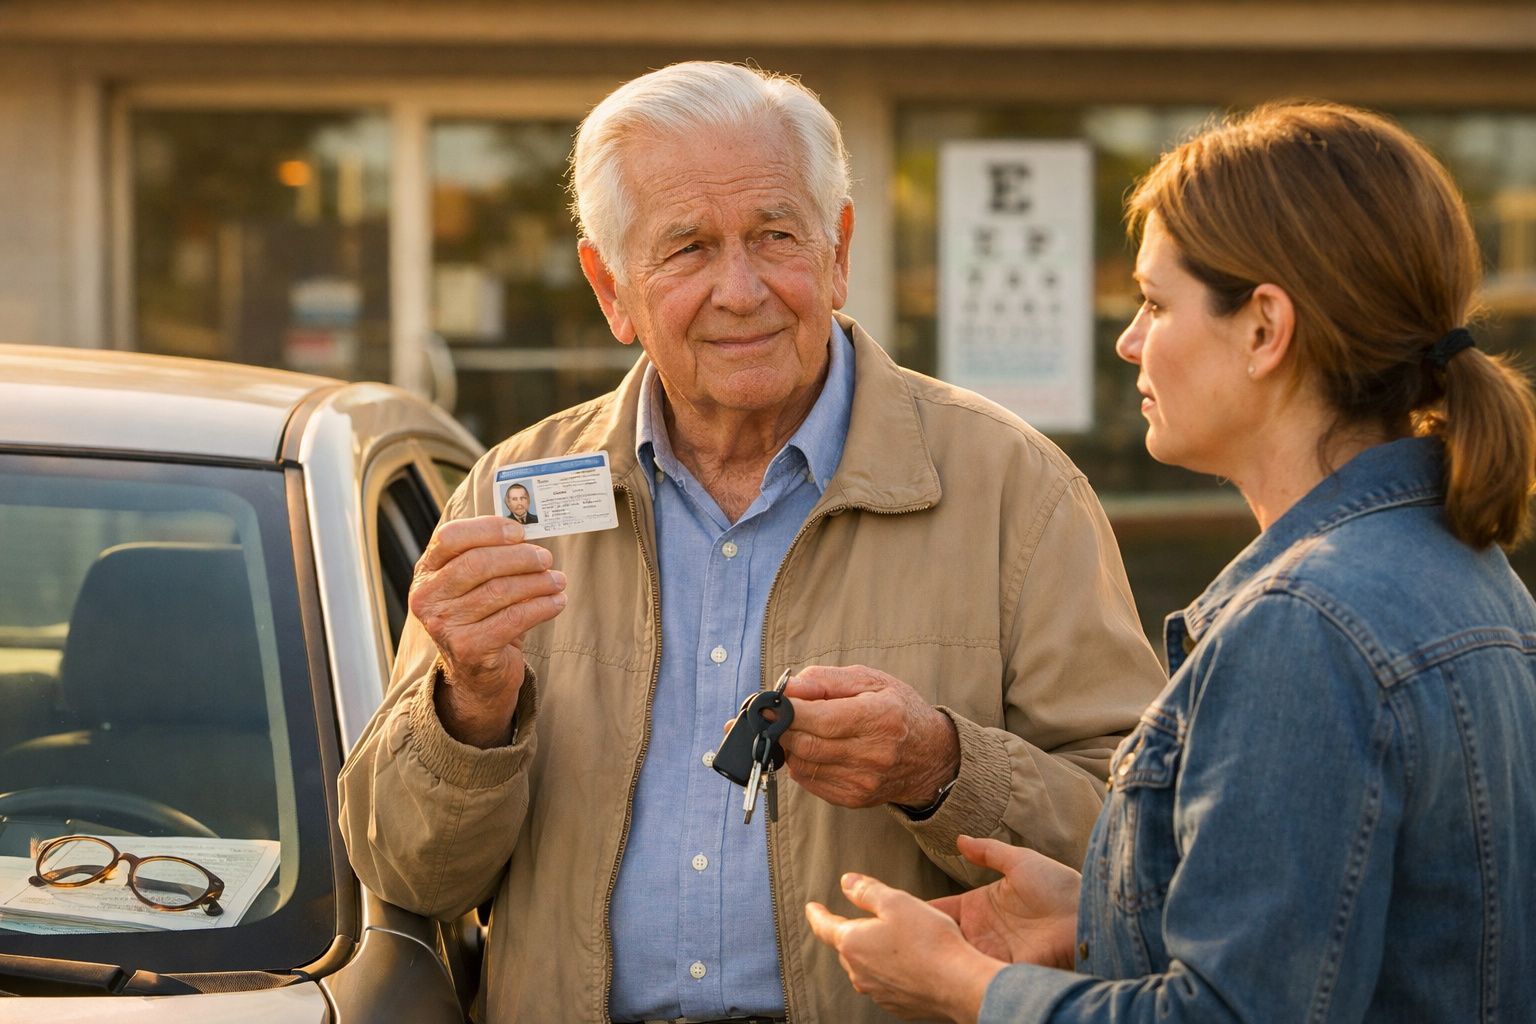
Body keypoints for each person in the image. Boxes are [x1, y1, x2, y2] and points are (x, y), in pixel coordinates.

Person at [338, 61, 1165, 1023]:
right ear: (611, 286)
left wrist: (942, 768)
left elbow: (1140, 851)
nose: (742, 290)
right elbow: (406, 873)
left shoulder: (1013, 488)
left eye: (776, 236)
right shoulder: (513, 496)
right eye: (686, 248)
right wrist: (470, 710)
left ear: (838, 248)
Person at [806, 100, 1536, 1022]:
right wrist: (1108, 915)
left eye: (1155, 303)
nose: (1129, 341)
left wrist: (968, 986)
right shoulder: (1457, 569)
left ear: (1266, 330)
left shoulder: (1305, 626)